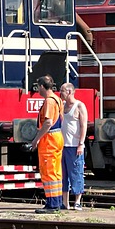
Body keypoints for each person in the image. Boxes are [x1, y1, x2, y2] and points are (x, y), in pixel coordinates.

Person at [28, 75, 64, 211]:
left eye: (38, 87)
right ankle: (57, 201)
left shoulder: (49, 101)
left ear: (42, 86)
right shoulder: (58, 99)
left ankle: (52, 204)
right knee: (56, 172)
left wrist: (36, 139)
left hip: (49, 139)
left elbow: (48, 122)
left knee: (48, 171)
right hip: (57, 136)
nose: (37, 90)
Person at [59, 82, 88, 210]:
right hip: (62, 145)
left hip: (74, 145)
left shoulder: (80, 106)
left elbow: (83, 125)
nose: (60, 93)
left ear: (69, 92)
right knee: (63, 175)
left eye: (62, 91)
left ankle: (77, 201)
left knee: (76, 172)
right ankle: (65, 202)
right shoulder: (63, 105)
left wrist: (81, 144)